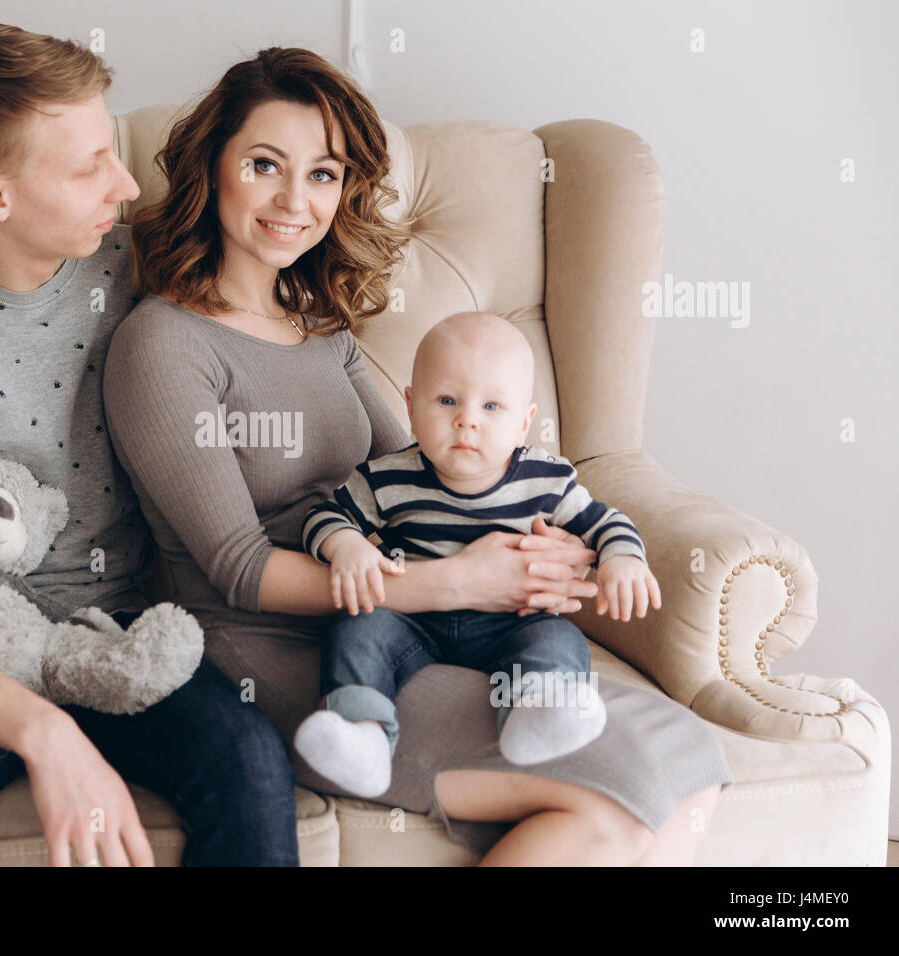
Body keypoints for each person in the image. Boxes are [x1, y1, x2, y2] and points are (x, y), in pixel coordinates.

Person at [102, 46, 733, 864]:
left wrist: (551, 552)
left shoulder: (319, 329)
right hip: (281, 657)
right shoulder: (162, 343)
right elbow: (238, 567)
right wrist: (456, 580)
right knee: (628, 788)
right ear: (212, 168)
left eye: (323, 174)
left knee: (679, 767)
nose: (296, 199)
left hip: (415, 628)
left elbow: (426, 472)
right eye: (265, 164)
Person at [0, 23, 299, 867]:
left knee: (251, 765)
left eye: (114, 151)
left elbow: (276, 243)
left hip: (114, 630)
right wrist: (44, 734)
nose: (123, 182)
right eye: (89, 168)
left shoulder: (141, 258)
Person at [293, 311, 664, 798]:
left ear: (525, 420)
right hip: (414, 619)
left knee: (556, 638)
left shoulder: (547, 479)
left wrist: (622, 560)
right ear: (410, 405)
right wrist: (344, 545)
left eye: (492, 406)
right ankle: (362, 733)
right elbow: (323, 516)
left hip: (511, 622)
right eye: (446, 400)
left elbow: (604, 521)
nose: (467, 419)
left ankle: (539, 708)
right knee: (359, 629)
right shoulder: (386, 477)